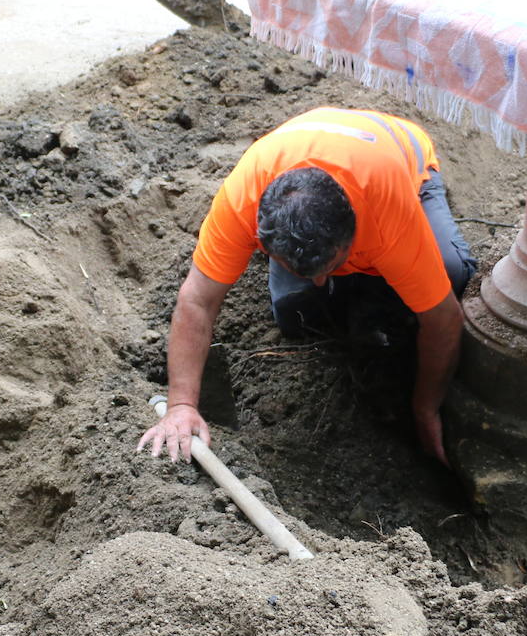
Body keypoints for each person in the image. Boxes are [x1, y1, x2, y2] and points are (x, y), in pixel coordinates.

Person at [138, 106, 476, 465]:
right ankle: (345, 281)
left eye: (332, 265)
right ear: (263, 238)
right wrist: (181, 405)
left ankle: (371, 282)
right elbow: (196, 301)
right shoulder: (242, 202)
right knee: (295, 314)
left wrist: (425, 409)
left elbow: (444, 320)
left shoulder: (385, 205)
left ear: (354, 238)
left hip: (403, 161)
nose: (319, 280)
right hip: (305, 176)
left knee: (452, 274)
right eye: (303, 267)